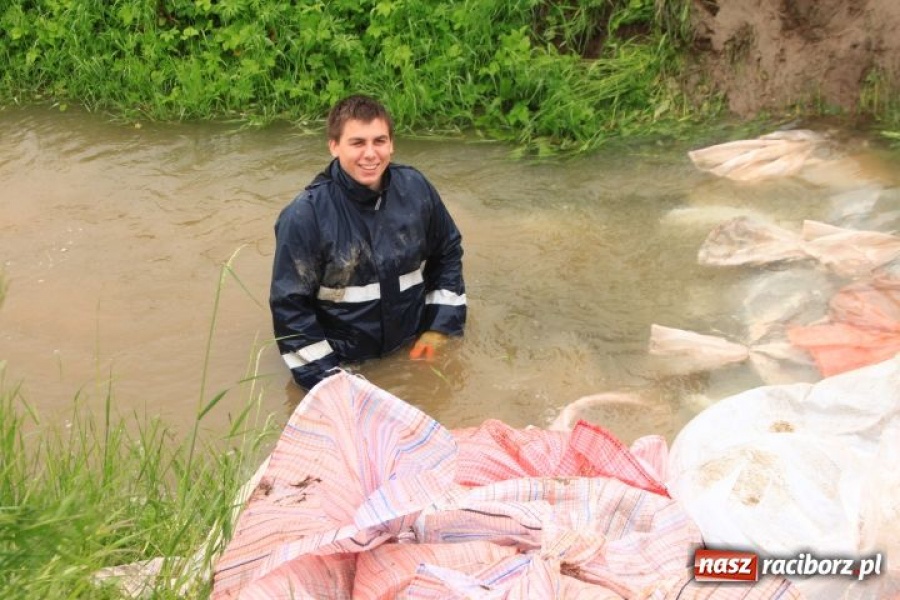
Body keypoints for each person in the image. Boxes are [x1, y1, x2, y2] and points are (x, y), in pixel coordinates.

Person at [269, 94, 467, 390]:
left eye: (379, 141)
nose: (371, 154)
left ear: (392, 144)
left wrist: (438, 328)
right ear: (334, 146)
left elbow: (447, 252)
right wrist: (328, 383)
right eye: (358, 143)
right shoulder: (305, 215)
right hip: (344, 364)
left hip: (411, 350)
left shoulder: (416, 188)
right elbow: (291, 307)